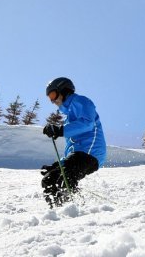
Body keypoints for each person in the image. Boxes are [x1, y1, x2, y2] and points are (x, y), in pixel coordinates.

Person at [40, 77, 106, 208]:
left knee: (65, 179)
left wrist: (60, 130)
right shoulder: (69, 118)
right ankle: (59, 210)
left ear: (63, 90)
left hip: (90, 152)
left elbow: (87, 123)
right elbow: (72, 147)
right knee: (49, 179)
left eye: (52, 95)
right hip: (78, 155)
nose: (52, 101)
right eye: (49, 98)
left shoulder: (81, 101)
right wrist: (59, 164)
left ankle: (75, 209)